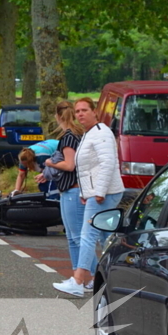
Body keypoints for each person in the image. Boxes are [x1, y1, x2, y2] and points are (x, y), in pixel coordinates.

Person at [53, 97, 124, 297]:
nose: (80, 114)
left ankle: (79, 281)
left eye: (85, 110)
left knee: (87, 235)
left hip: (105, 193)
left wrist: (99, 192)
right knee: (105, 237)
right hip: (96, 193)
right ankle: (110, 280)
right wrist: (86, 193)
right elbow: (87, 169)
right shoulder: (89, 134)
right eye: (77, 111)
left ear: (95, 112)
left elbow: (107, 163)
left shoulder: (101, 133)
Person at [42, 100, 85, 281]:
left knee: (76, 238)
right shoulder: (79, 134)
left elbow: (69, 165)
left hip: (72, 191)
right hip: (75, 189)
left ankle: (84, 277)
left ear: (57, 116)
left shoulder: (67, 137)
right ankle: (79, 276)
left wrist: (49, 163)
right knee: (74, 237)